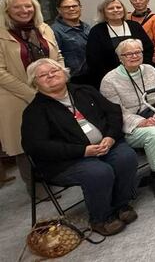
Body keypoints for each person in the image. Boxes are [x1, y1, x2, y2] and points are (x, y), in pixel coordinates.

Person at [22, 58, 137, 236]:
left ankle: (121, 204)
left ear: (64, 73)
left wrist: (110, 137)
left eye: (54, 71)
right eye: (43, 75)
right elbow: (37, 147)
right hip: (68, 161)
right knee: (99, 172)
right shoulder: (35, 111)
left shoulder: (84, 91)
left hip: (104, 146)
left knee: (126, 157)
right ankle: (100, 218)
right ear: (35, 83)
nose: (51, 75)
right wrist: (82, 151)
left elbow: (113, 112)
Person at [99, 39, 155, 200]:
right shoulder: (109, 81)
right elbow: (115, 113)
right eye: (129, 54)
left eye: (138, 52)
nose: (135, 56)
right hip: (132, 126)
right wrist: (142, 122)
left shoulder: (149, 69)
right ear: (120, 57)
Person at [0, 0, 63, 189]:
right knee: (26, 143)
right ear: (6, 10)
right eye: (17, 7)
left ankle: (58, 177)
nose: (24, 10)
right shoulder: (1, 34)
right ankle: (35, 188)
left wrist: (61, 77)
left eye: (28, 6)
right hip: (16, 97)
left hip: (51, 92)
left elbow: (57, 56)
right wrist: (33, 93)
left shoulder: (43, 28)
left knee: (54, 135)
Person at [86, 0, 154, 88]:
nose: (116, 10)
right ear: (103, 12)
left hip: (139, 75)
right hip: (113, 80)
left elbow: (148, 49)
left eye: (118, 7)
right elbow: (93, 59)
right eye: (110, 8)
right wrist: (116, 75)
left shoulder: (134, 26)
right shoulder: (97, 31)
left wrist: (139, 69)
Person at [51, 0, 91, 84]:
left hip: (92, 76)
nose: (71, 9)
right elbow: (55, 59)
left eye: (75, 6)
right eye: (66, 7)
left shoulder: (87, 27)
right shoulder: (54, 31)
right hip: (73, 80)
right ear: (59, 10)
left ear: (80, 7)